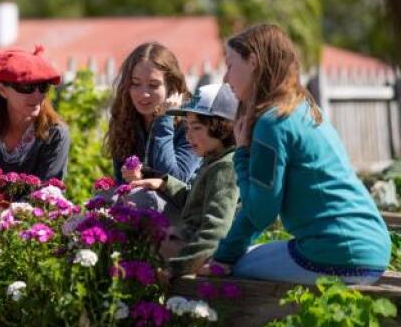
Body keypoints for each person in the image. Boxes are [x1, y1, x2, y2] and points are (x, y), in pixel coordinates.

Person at [198, 24, 391, 285]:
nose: (225, 78)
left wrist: (242, 154)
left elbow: (261, 212)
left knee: (237, 267)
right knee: (249, 254)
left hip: (337, 254)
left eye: (230, 65)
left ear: (253, 62)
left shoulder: (272, 122)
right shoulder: (305, 109)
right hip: (374, 248)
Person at [132, 83, 240, 275]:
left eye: (197, 127)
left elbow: (216, 229)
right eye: (187, 127)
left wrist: (176, 269)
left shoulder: (225, 167)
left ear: (222, 127)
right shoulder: (214, 159)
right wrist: (166, 183)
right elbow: (198, 200)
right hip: (190, 243)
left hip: (199, 252)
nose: (188, 135)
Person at [0, 45, 70, 180]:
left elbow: (49, 192)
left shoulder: (56, 134)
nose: (37, 95)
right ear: (2, 90)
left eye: (43, 86)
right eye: (26, 86)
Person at [104, 42, 201, 184]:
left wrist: (165, 119)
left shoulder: (190, 123)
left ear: (171, 87)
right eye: (136, 84)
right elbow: (122, 183)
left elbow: (176, 179)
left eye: (153, 85)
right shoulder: (125, 119)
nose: (144, 94)